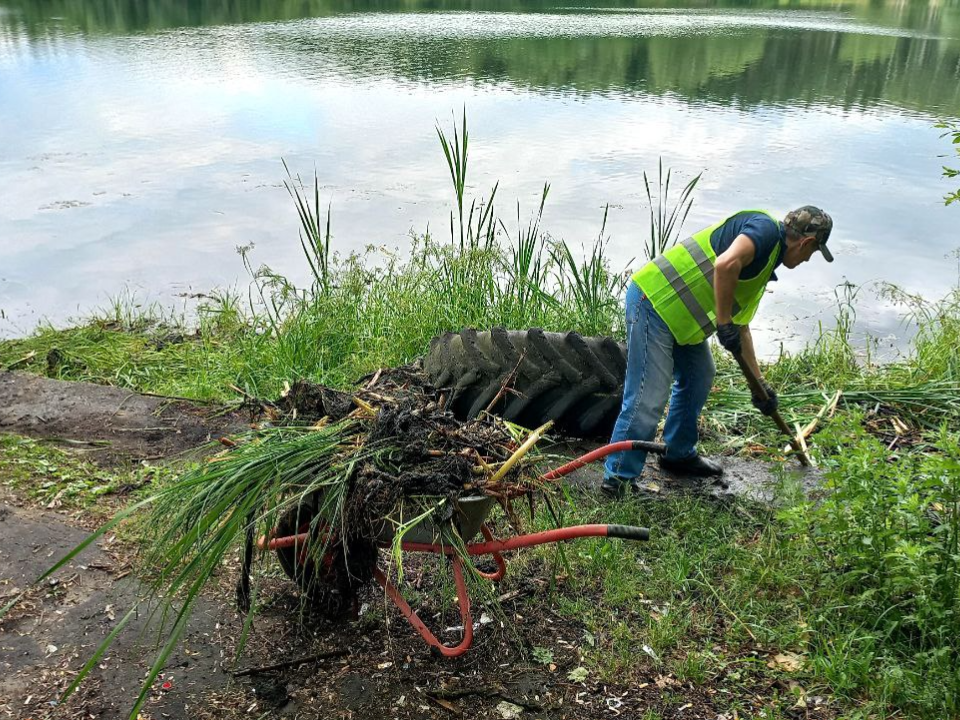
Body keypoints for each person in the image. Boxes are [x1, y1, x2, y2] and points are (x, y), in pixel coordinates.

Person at [601, 206, 834, 498]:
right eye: (812, 253)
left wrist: (759, 386)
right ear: (807, 242)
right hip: (654, 302)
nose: (807, 260)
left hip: (679, 317)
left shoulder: (767, 261)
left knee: (700, 375)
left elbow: (742, 328)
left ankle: (678, 453)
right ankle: (618, 479)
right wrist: (723, 323)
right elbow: (725, 264)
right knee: (649, 397)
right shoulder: (764, 231)